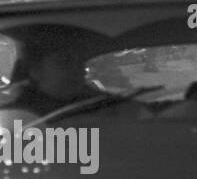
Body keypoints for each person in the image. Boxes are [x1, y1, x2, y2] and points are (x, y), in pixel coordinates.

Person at [0, 24, 129, 119]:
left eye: (80, 62)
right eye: (65, 62)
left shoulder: (106, 106)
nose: (77, 69)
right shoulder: (12, 115)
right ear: (37, 71)